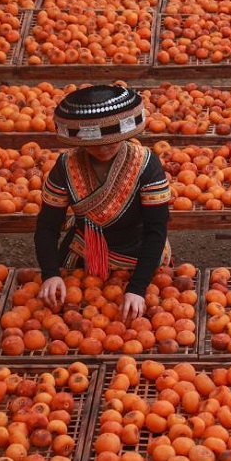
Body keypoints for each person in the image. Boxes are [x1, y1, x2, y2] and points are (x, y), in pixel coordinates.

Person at [34, 84, 171, 323]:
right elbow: (47, 225)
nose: (104, 149)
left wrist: (137, 288)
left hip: (139, 255)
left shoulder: (147, 164)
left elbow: (156, 231)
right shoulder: (66, 166)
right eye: (95, 144)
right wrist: (50, 274)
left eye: (112, 141)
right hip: (84, 253)